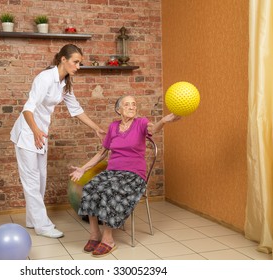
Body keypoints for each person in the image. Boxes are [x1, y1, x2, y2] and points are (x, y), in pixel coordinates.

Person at [11, 44, 105, 239]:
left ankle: (32, 219)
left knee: (41, 179)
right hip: (28, 134)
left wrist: (96, 127)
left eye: (80, 63)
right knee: (31, 181)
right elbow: (27, 109)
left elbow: (76, 109)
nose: (78, 66)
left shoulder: (65, 83)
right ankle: (43, 226)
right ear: (63, 59)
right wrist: (35, 131)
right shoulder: (45, 78)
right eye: (76, 62)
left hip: (40, 135)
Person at [69, 95, 181, 257]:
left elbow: (153, 129)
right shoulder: (113, 127)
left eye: (134, 104)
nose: (132, 107)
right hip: (113, 172)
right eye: (127, 104)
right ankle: (95, 234)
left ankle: (108, 240)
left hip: (134, 175)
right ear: (118, 110)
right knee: (90, 187)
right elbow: (102, 153)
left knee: (111, 190)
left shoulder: (141, 123)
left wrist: (163, 121)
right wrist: (83, 168)